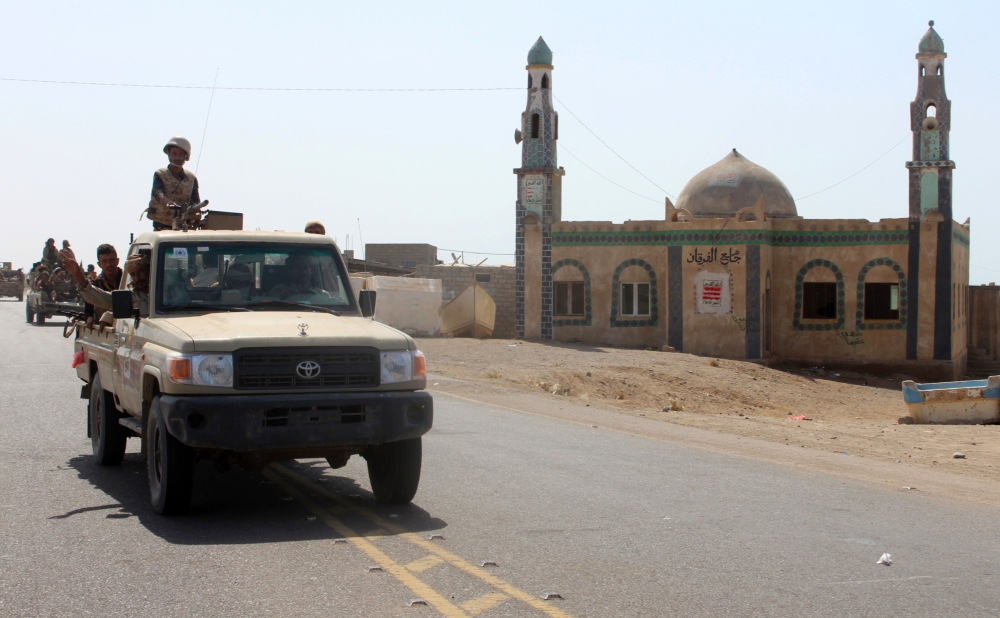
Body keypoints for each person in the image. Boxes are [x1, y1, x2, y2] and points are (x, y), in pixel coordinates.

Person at [61, 250, 150, 321]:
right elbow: (97, 297)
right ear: (99, 264)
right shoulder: (129, 295)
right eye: (133, 274)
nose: (137, 278)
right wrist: (77, 274)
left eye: (141, 272)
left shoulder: (162, 293)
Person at [146, 137, 202, 230]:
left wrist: (193, 208)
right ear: (169, 155)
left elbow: (196, 200)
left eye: (180, 154)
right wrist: (167, 202)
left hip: (184, 227)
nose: (177, 157)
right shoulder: (160, 174)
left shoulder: (191, 178)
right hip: (162, 225)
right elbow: (158, 192)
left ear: (185, 156)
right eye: (174, 153)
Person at [82, 244, 123, 328]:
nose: (109, 265)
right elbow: (88, 310)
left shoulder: (127, 279)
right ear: (99, 264)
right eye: (104, 261)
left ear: (117, 261)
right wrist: (89, 318)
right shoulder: (96, 284)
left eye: (111, 260)